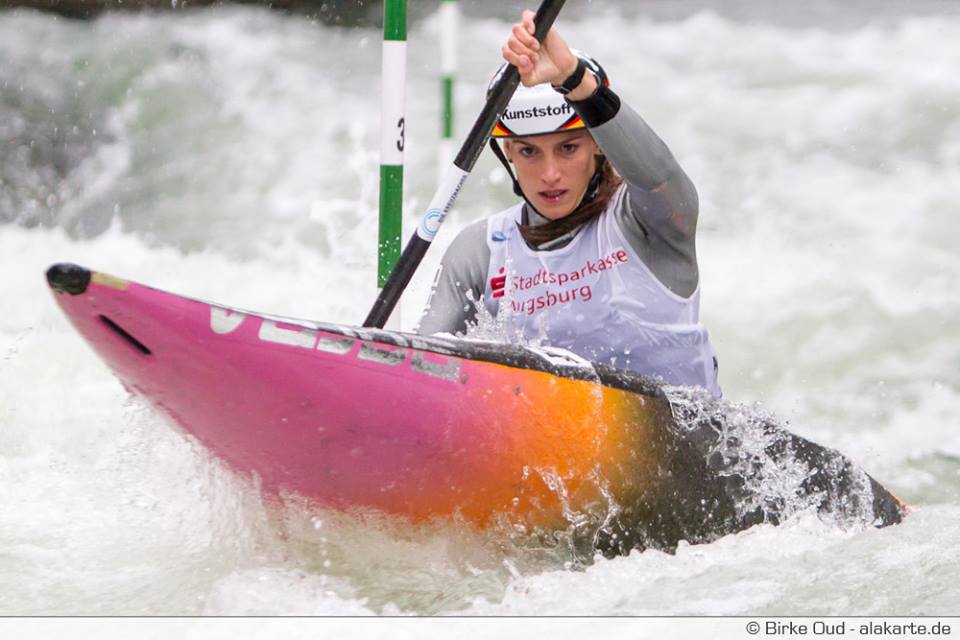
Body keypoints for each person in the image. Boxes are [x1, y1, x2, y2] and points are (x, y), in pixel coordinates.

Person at [417, 10, 721, 397]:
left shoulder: (647, 220)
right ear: (507, 151)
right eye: (529, 151)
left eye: (568, 148)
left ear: (596, 144)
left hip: (683, 445)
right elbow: (425, 372)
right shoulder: (479, 252)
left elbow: (659, 175)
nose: (550, 174)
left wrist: (577, 82)